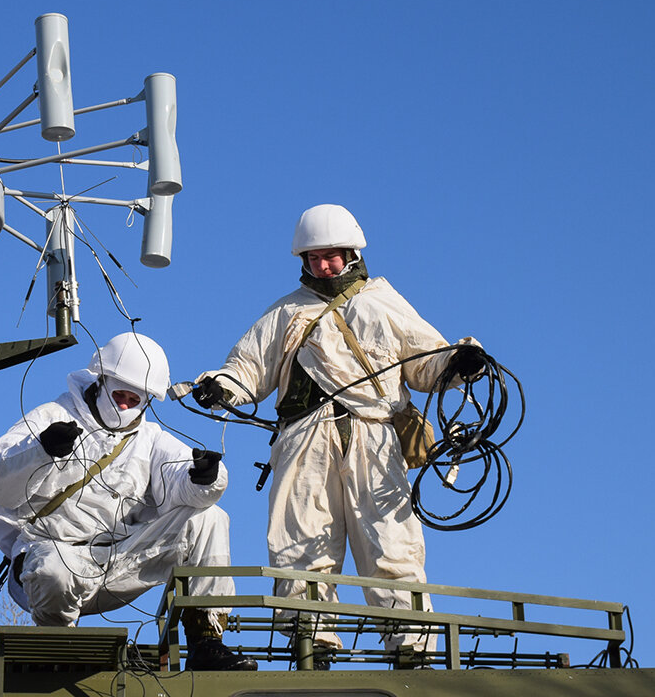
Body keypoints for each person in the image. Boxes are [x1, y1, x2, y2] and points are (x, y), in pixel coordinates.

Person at [191, 204, 484, 665]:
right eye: (313, 257)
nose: (323, 265)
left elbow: (427, 361)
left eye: (330, 255)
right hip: (304, 436)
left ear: (350, 252)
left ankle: (413, 648)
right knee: (301, 541)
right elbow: (248, 367)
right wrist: (221, 386)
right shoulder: (284, 311)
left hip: (374, 435)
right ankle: (312, 642)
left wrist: (459, 362)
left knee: (391, 541)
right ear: (302, 261)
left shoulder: (382, 301)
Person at [0, 332, 257, 671]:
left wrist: (204, 477)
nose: (125, 405)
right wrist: (41, 451)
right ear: (101, 380)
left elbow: (178, 475)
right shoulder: (51, 415)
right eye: (119, 394)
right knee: (54, 568)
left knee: (208, 517)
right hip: (51, 561)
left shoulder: (150, 439)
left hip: (118, 563)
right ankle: (57, 646)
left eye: (134, 399)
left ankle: (206, 641)